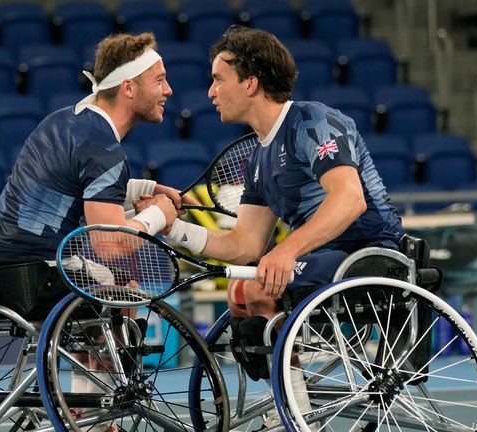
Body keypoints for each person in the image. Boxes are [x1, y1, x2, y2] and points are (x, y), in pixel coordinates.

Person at [147, 25, 404, 427]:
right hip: (326, 259)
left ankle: (299, 417)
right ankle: (295, 404)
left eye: (218, 79)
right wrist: (172, 228)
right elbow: (244, 245)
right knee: (240, 294)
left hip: (370, 254)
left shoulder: (313, 121)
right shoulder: (259, 159)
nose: (210, 92)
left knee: (256, 286)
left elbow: (349, 199)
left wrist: (286, 250)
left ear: (250, 83)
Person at [0, 32, 190, 432]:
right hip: (31, 280)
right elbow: (108, 243)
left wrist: (144, 190)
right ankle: (92, 413)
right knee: (123, 280)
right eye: (159, 80)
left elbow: (68, 188)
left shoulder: (65, 120)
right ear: (128, 87)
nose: (168, 90)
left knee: (100, 278)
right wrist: (159, 215)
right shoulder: (104, 147)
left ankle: (86, 408)